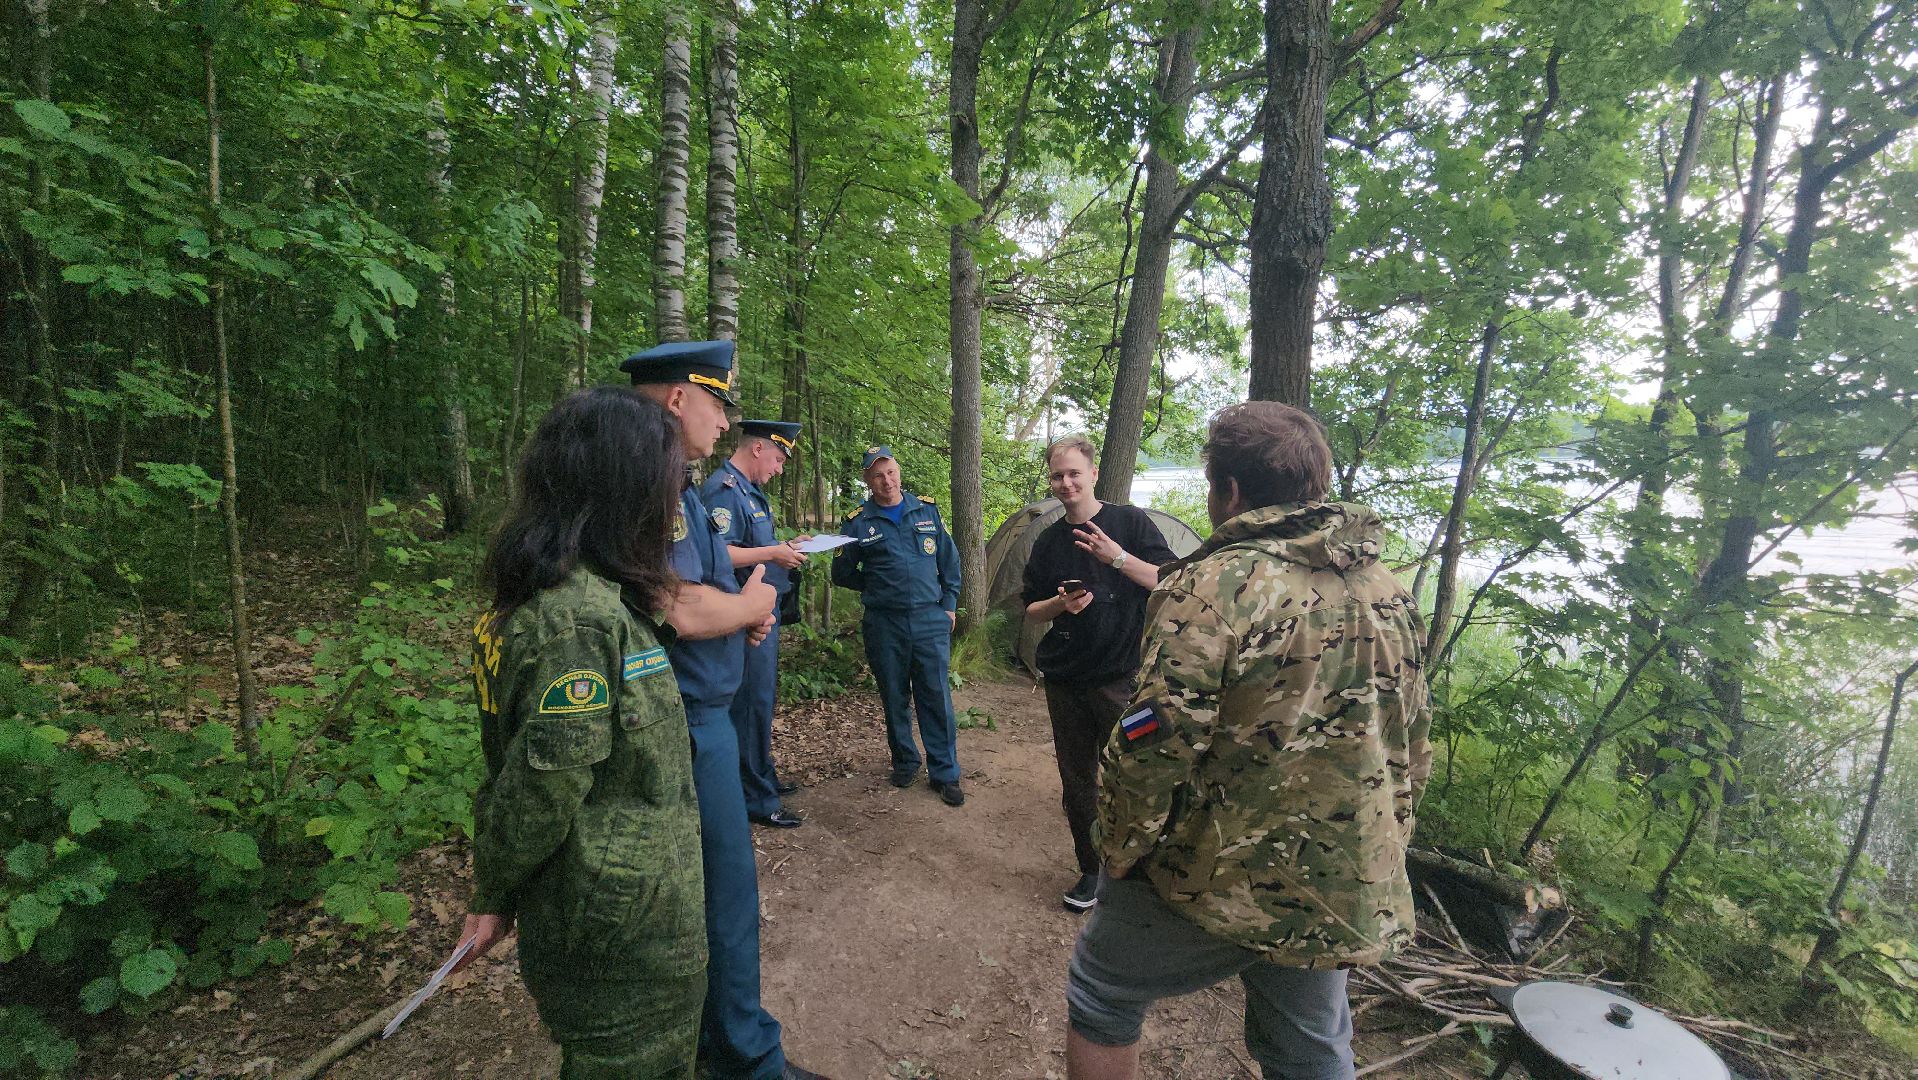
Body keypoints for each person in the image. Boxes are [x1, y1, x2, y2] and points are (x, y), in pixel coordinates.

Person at [1066, 402, 1433, 1080]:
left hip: (1216, 872)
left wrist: (1118, 848)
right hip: (1335, 878)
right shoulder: (1388, 592)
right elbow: (1411, 744)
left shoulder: (1211, 588)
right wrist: (1381, 846)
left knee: (1102, 994)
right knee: (1310, 1047)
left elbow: (1151, 748)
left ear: (1228, 492)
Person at [455, 387, 707, 1077]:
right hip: (620, 941)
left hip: (641, 925)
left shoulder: (604, 601)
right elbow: (540, 790)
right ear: (623, 490)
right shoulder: (576, 622)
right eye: (668, 485)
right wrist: (494, 892)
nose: (677, 505)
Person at [626, 340, 823, 1080]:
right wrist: (756, 600)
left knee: (706, 894)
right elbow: (676, 604)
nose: (723, 422)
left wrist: (743, 614)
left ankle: (717, 1039)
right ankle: (745, 1057)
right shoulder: (657, 487)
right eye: (717, 404)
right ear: (679, 399)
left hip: (696, 708)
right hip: (688, 717)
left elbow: (697, 586)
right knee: (727, 896)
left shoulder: (663, 482)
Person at [1020, 434, 1175, 913]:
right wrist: (1060, 605)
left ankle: (1140, 870)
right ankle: (1091, 870)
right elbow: (1032, 611)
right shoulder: (1049, 541)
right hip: (1066, 680)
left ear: (1092, 475)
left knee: (1135, 772)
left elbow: (1172, 580)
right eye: (1056, 475)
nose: (1065, 483)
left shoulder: (1128, 522)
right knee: (1078, 778)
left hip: (1122, 680)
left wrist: (1118, 559)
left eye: (1073, 473)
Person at [830, 445, 966, 806]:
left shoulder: (927, 510)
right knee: (894, 696)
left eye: (890, 472)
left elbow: (950, 563)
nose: (886, 481)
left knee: (936, 696)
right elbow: (841, 573)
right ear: (868, 481)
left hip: (929, 619)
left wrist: (949, 605)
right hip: (884, 623)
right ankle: (905, 760)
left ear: (899, 472)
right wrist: (877, 587)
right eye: (877, 475)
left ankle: (945, 772)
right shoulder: (858, 521)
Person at [702, 420, 809, 829]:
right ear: (758, 449)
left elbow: (754, 549)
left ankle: (763, 776)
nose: (780, 469)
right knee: (748, 706)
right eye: (779, 459)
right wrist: (774, 553)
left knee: (761, 703)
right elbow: (719, 555)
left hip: (763, 614)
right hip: (741, 620)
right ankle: (756, 800)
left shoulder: (752, 495)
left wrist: (786, 549)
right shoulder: (723, 491)